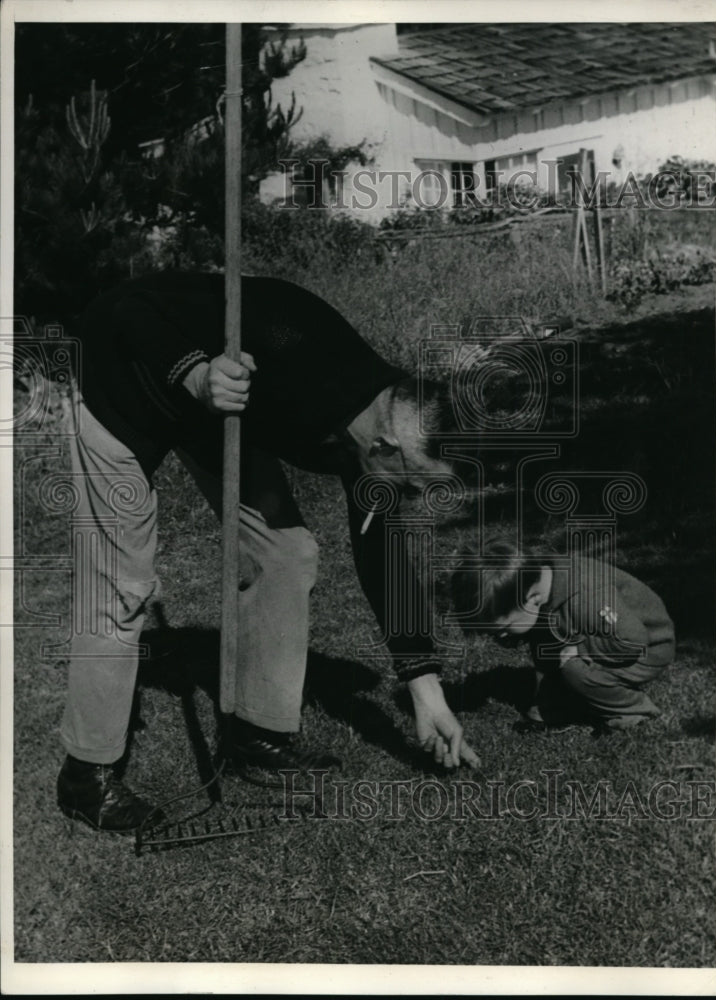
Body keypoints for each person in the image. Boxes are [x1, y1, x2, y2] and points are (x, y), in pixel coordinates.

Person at [57, 270, 481, 833]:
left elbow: (383, 552)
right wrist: (197, 372)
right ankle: (86, 778)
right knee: (121, 584)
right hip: (118, 386)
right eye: (411, 485)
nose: (409, 500)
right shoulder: (291, 335)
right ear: (384, 448)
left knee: (285, 553)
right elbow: (127, 307)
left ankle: (256, 732)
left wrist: (426, 693)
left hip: (213, 414)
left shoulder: (373, 443)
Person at [450, 540, 675, 732]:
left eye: (504, 628)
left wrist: (582, 649)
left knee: (573, 668)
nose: (500, 637)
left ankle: (633, 711)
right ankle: (554, 706)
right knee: (544, 640)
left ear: (533, 598)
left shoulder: (586, 595)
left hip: (644, 647)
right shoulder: (536, 585)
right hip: (599, 633)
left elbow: (631, 640)